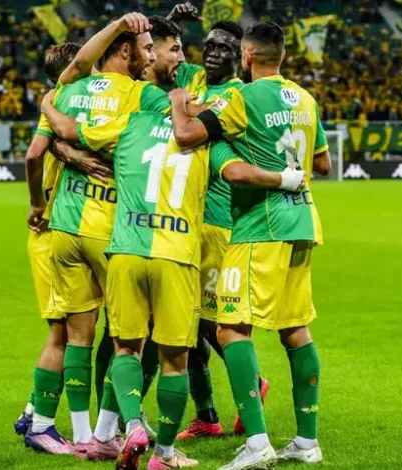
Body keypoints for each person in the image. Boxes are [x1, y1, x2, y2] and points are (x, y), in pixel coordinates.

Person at [40, 87, 307, 470]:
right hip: (177, 255)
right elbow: (237, 173)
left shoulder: (129, 125)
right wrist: (284, 178)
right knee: (174, 361)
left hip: (126, 250)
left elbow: (68, 130)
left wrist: (47, 105)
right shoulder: (204, 141)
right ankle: (164, 453)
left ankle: (132, 426)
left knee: (126, 349)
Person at [170, 21, 331, 469]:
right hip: (303, 220)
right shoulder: (305, 98)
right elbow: (322, 162)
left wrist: (179, 103)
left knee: (229, 329)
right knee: (295, 329)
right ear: (282, 56)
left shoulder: (242, 97)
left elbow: (187, 135)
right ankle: (307, 441)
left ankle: (258, 444)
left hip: (260, 225)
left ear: (246, 57)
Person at [38, 12, 172, 459]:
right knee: (129, 337)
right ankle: (105, 433)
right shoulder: (140, 95)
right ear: (125, 50)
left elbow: (52, 133)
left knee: (78, 334)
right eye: (146, 49)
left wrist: (59, 135)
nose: (150, 57)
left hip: (64, 225)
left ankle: (79, 436)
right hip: (111, 229)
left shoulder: (70, 88)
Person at [16, 42, 112, 455]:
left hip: (70, 226)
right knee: (64, 332)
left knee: (75, 329)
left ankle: (34, 410)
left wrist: (67, 150)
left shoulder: (63, 109)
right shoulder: (63, 103)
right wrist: (38, 204)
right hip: (55, 228)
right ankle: (41, 424)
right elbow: (34, 154)